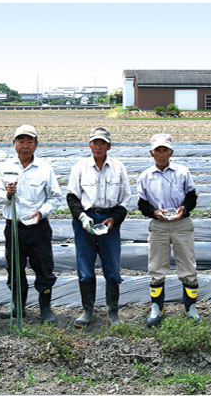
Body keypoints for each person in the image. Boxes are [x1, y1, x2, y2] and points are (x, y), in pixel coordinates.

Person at [0, 125, 62, 324]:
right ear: (14, 144)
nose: (25, 146)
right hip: (14, 226)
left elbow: (55, 197)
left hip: (38, 227)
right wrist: (7, 194)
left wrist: (42, 212)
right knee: (14, 267)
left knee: (44, 267)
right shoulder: (6, 167)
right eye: (21, 141)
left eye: (29, 142)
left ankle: (45, 308)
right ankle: (18, 306)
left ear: (36, 145)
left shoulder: (45, 168)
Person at [66, 127, 131, 327]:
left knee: (112, 268)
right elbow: (72, 197)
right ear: (89, 145)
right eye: (95, 142)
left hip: (108, 222)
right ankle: (88, 311)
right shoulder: (80, 167)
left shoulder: (118, 167)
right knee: (85, 268)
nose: (98, 146)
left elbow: (126, 199)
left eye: (102, 143)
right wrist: (82, 217)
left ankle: (113, 311)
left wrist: (114, 219)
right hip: (85, 221)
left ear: (109, 146)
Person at [137, 133, 200, 327]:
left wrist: (184, 209)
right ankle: (157, 307)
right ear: (151, 153)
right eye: (158, 150)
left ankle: (190, 307)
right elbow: (142, 203)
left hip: (181, 224)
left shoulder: (182, 172)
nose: (161, 154)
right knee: (156, 267)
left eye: (165, 150)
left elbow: (192, 196)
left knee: (188, 266)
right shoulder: (145, 176)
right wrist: (154, 212)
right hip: (159, 226)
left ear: (171, 152)